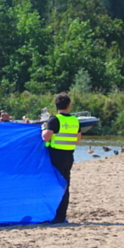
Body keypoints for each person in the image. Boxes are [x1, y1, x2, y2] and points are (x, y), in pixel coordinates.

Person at [41, 92, 81, 224]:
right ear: (69, 106)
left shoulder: (54, 120)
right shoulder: (75, 120)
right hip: (68, 156)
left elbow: (46, 137)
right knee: (65, 185)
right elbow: (78, 139)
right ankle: (61, 215)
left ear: (56, 105)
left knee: (53, 183)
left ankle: (53, 214)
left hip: (55, 155)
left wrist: (43, 129)